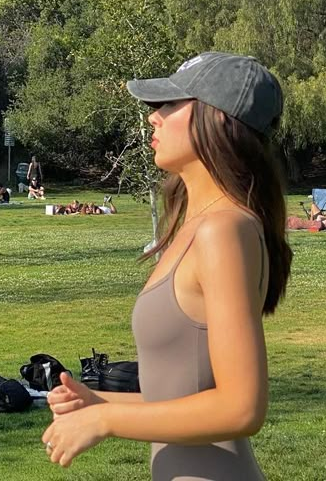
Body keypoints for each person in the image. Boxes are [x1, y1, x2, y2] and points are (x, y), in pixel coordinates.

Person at [43, 51, 292, 479]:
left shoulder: (223, 231)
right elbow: (187, 396)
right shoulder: (197, 228)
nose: (153, 118)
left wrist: (106, 421)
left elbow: (241, 407)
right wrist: (99, 403)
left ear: (216, 118)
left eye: (170, 105)